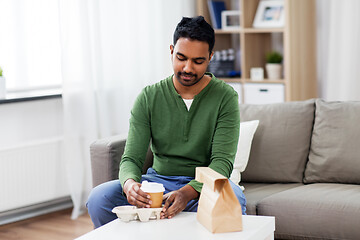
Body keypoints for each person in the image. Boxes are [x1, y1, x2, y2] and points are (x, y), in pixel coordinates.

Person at [87, 16, 246, 228]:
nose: (188, 68)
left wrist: (187, 193)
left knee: (233, 198)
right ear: (171, 51)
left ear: (210, 57)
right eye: (181, 57)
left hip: (202, 187)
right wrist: (130, 185)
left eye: (198, 61)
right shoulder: (149, 97)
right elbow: (131, 159)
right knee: (99, 198)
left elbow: (221, 163)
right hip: (156, 184)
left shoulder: (225, 97)